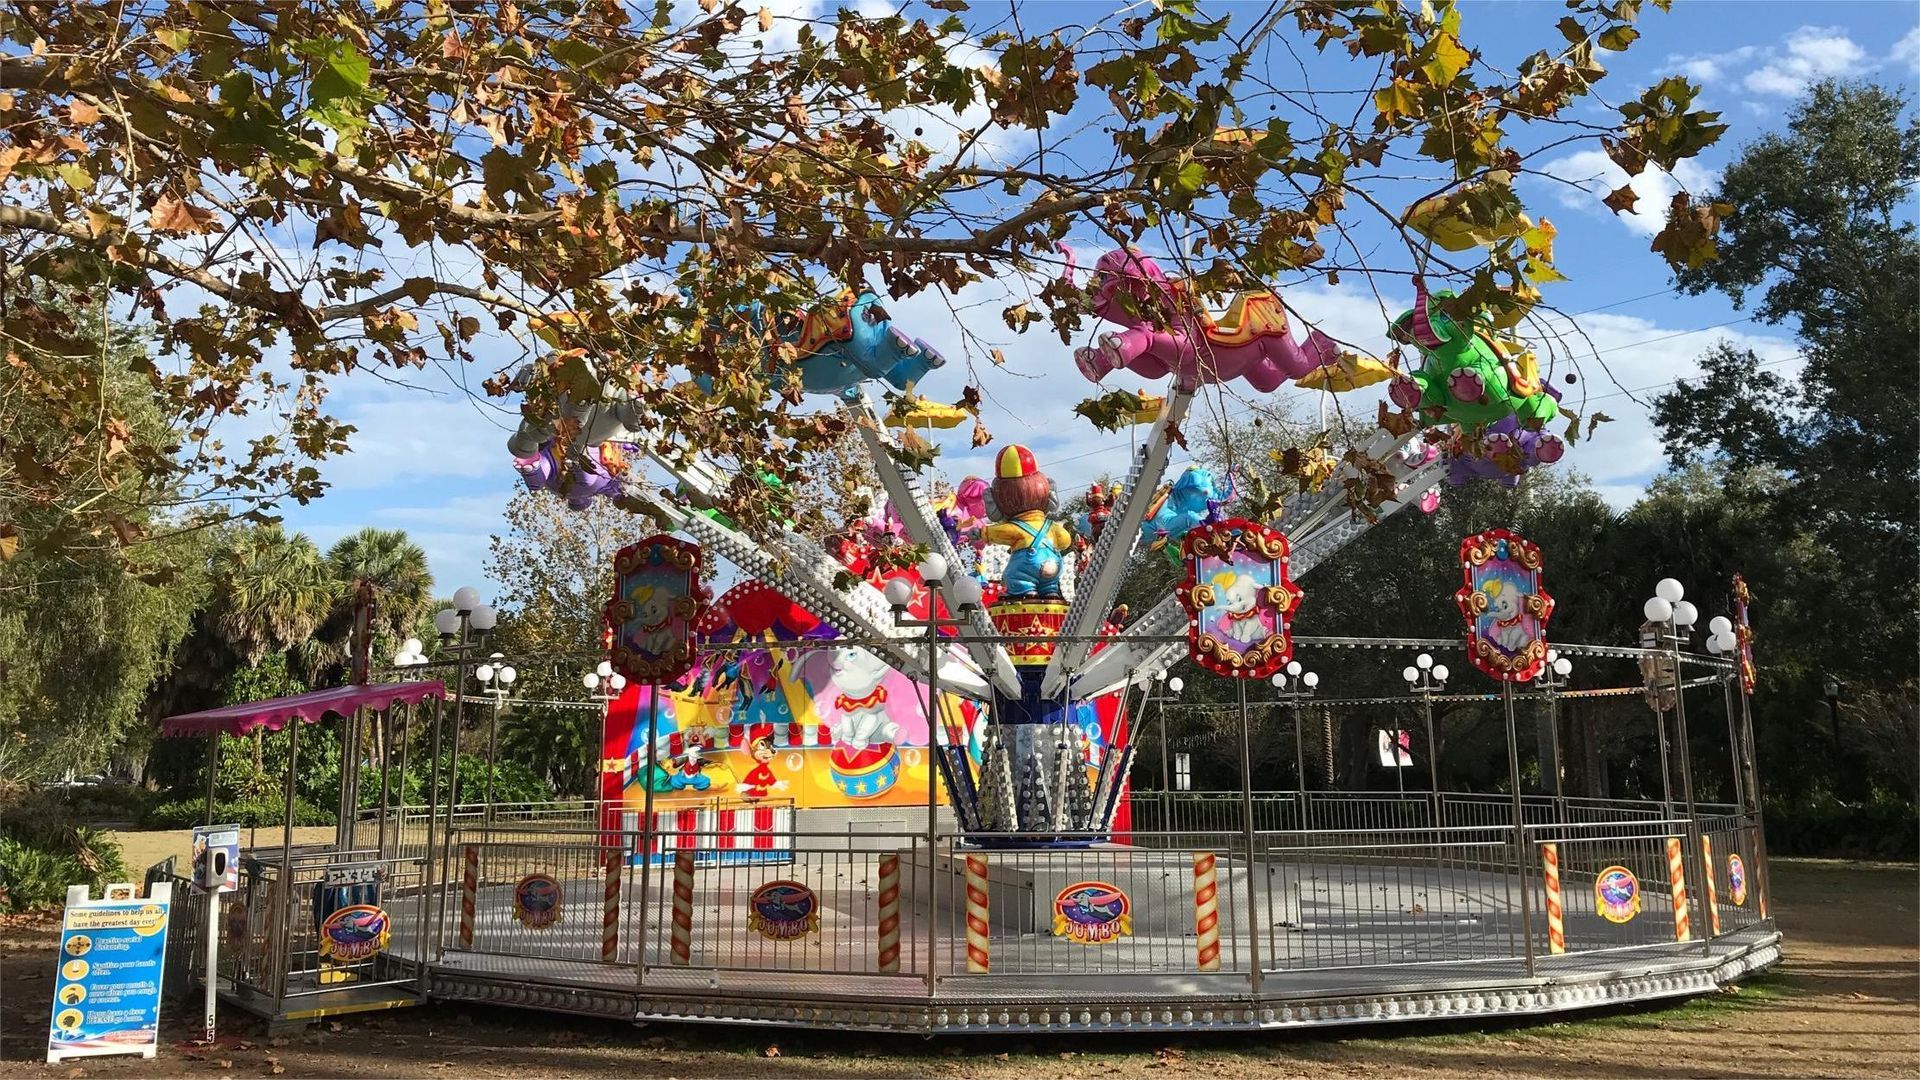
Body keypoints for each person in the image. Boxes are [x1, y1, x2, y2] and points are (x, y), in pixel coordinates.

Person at [980, 444, 1073, 599]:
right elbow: (1065, 540)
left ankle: (1025, 591)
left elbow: (1001, 532)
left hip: (1027, 564)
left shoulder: (1015, 527)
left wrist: (983, 532)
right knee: (1049, 585)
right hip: (1053, 564)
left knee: (1015, 576)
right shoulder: (1052, 527)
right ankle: (1050, 591)